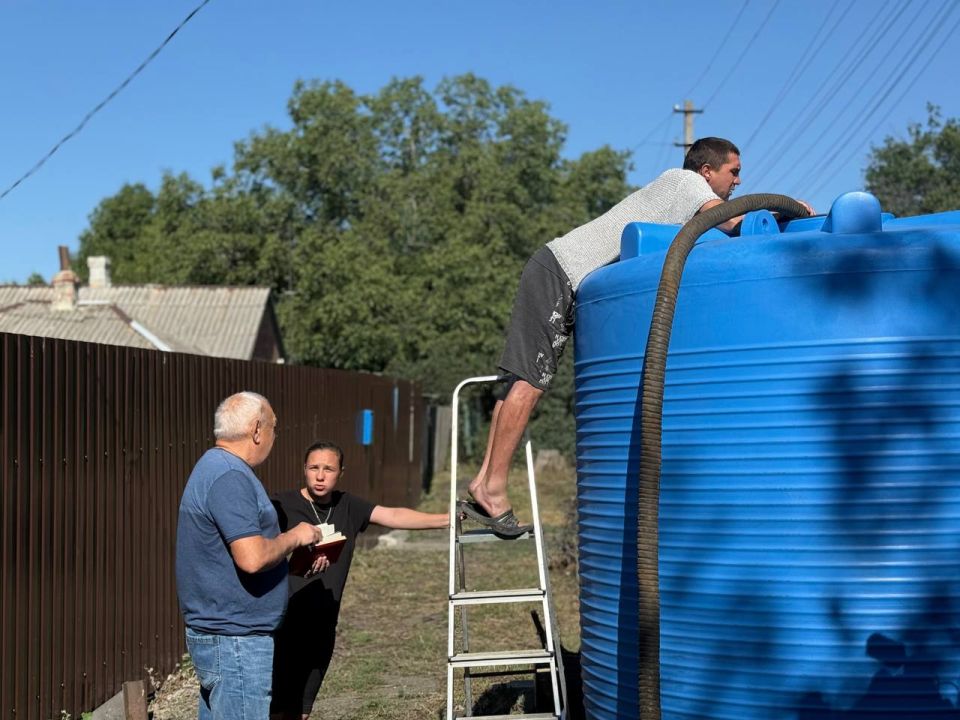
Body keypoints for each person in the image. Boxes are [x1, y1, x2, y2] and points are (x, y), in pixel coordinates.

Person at [461, 137, 814, 536]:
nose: (738, 180)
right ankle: (492, 488)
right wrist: (786, 211)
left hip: (555, 271)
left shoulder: (679, 192)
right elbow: (732, 220)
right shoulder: (685, 184)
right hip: (560, 273)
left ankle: (484, 482)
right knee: (529, 384)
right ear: (706, 171)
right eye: (733, 172)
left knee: (519, 386)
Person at [269, 440, 449, 720]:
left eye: (328, 469)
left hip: (325, 622)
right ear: (304, 469)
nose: (320, 475)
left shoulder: (348, 505)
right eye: (314, 468)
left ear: (341, 472)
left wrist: (446, 520)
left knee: (303, 710)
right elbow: (258, 548)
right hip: (285, 624)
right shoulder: (282, 505)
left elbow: (392, 515)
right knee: (278, 707)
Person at [175, 392, 325, 720]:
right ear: (257, 430)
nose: (274, 435)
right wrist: (296, 536)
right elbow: (252, 557)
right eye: (273, 427)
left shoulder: (216, 467)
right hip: (236, 642)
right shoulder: (229, 476)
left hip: (225, 635)